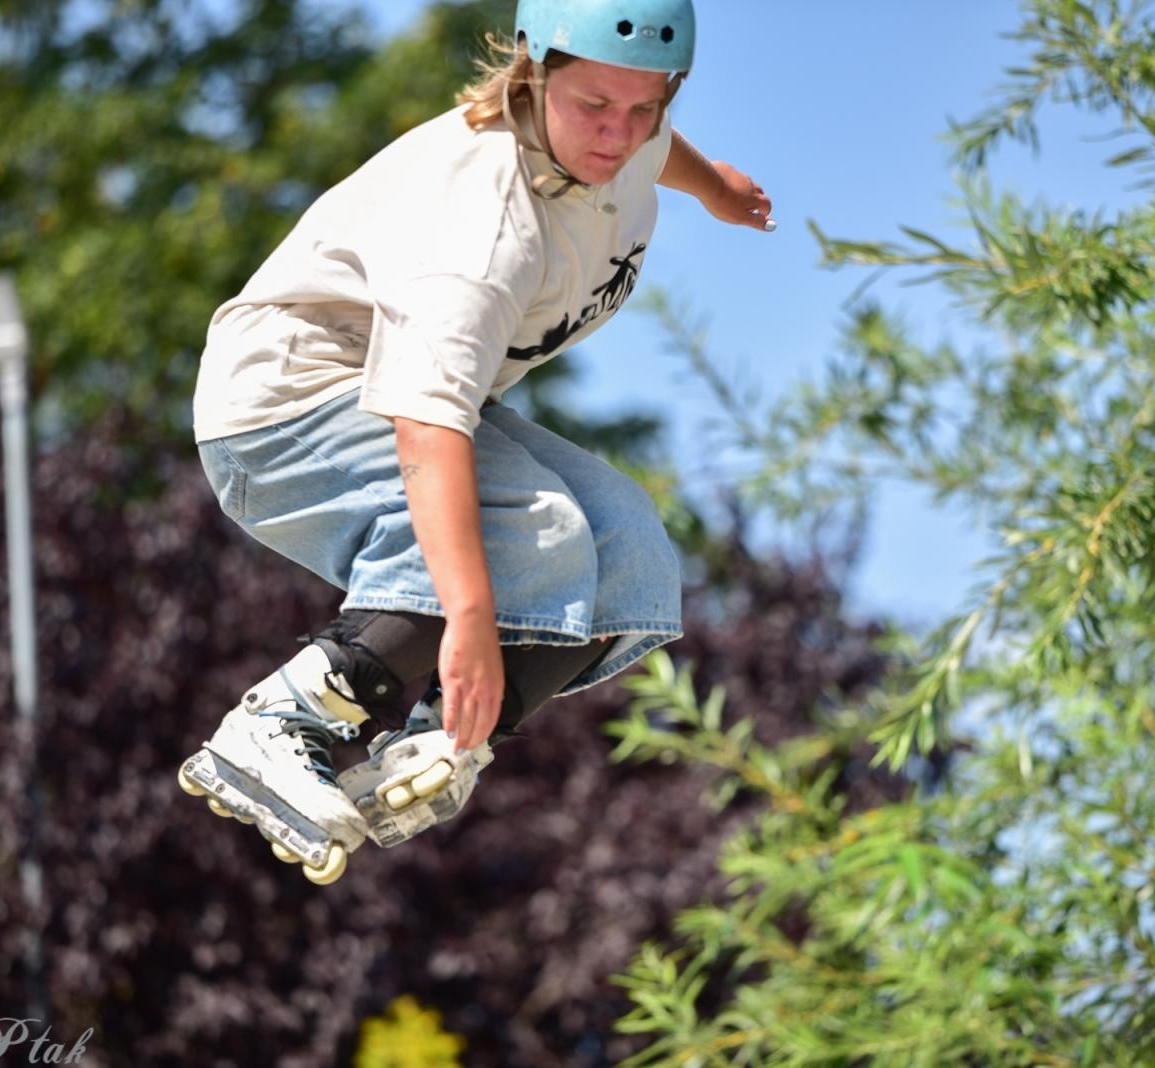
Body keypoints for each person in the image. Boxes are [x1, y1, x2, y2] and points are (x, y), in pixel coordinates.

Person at [177, 0, 772, 884]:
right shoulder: (484, 221)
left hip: (391, 394)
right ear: (533, 71)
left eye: (645, 107)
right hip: (283, 408)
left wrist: (714, 187)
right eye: (595, 106)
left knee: (628, 551)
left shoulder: (625, 130)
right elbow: (428, 427)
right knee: (528, 531)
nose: (618, 135)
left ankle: (430, 747)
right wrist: (468, 623)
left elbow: (652, 144)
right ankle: (279, 722)